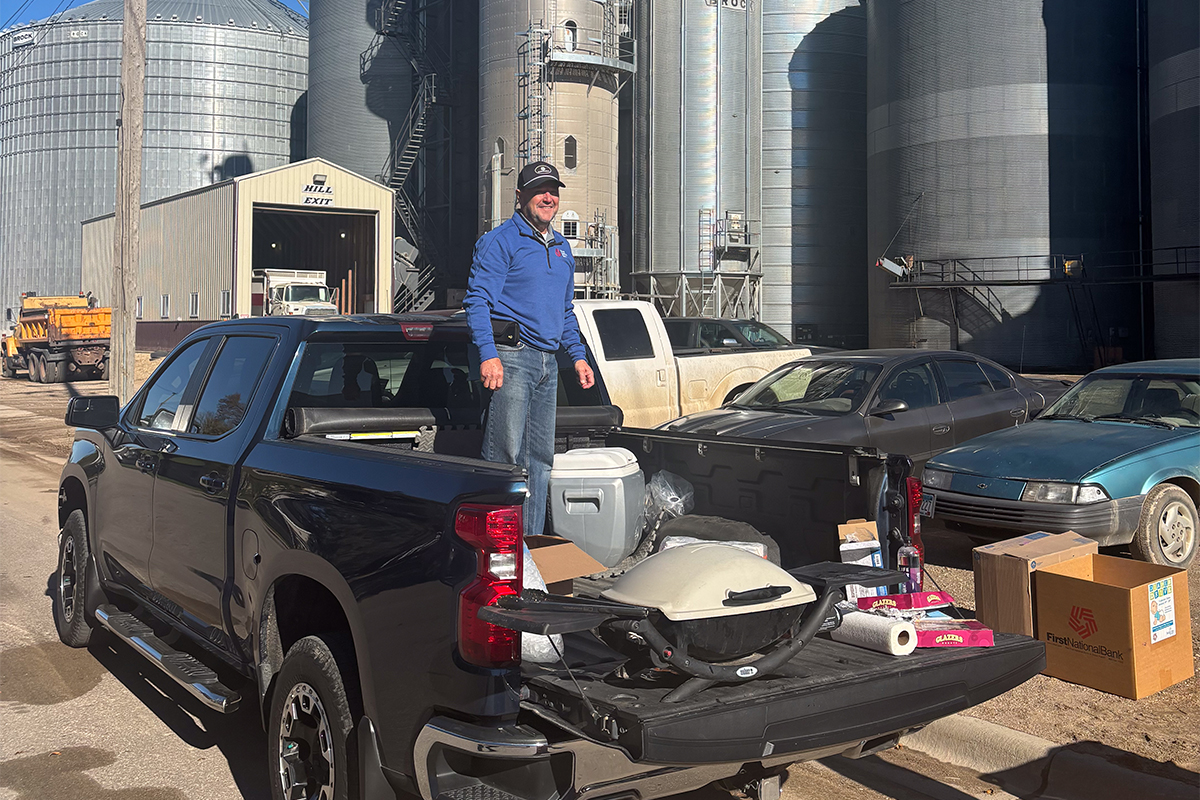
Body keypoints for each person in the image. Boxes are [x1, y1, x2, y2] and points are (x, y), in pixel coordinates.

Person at [464, 161, 595, 538]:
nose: (548, 197)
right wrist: (488, 353)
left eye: (553, 191)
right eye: (539, 191)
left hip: (547, 364)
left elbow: (565, 311)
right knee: (505, 459)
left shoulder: (562, 248)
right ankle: (497, 549)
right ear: (520, 196)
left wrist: (578, 356)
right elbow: (477, 302)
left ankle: (530, 547)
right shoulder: (501, 241)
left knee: (540, 460)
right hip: (511, 359)